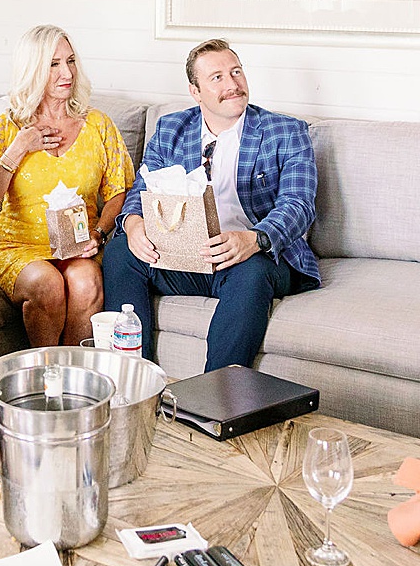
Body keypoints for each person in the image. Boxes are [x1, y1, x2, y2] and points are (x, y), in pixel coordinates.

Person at [102, 39, 318, 371]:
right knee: (119, 252)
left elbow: (299, 204)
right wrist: (132, 224)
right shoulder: (172, 128)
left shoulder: (285, 132)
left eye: (236, 72)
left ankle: (214, 401)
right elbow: (141, 189)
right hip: (186, 256)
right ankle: (133, 380)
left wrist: (253, 239)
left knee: (252, 273)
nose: (232, 84)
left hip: (252, 257)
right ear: (195, 91)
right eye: (217, 77)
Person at [0, 25, 134, 347]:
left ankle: (74, 381)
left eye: (70, 61)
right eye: (53, 64)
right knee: (46, 284)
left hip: (78, 244)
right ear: (33, 71)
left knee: (86, 281)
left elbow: (119, 191)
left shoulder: (98, 124)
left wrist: (99, 233)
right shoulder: (8, 127)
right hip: (18, 244)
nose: (66, 73)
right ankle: (45, 380)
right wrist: (18, 148)